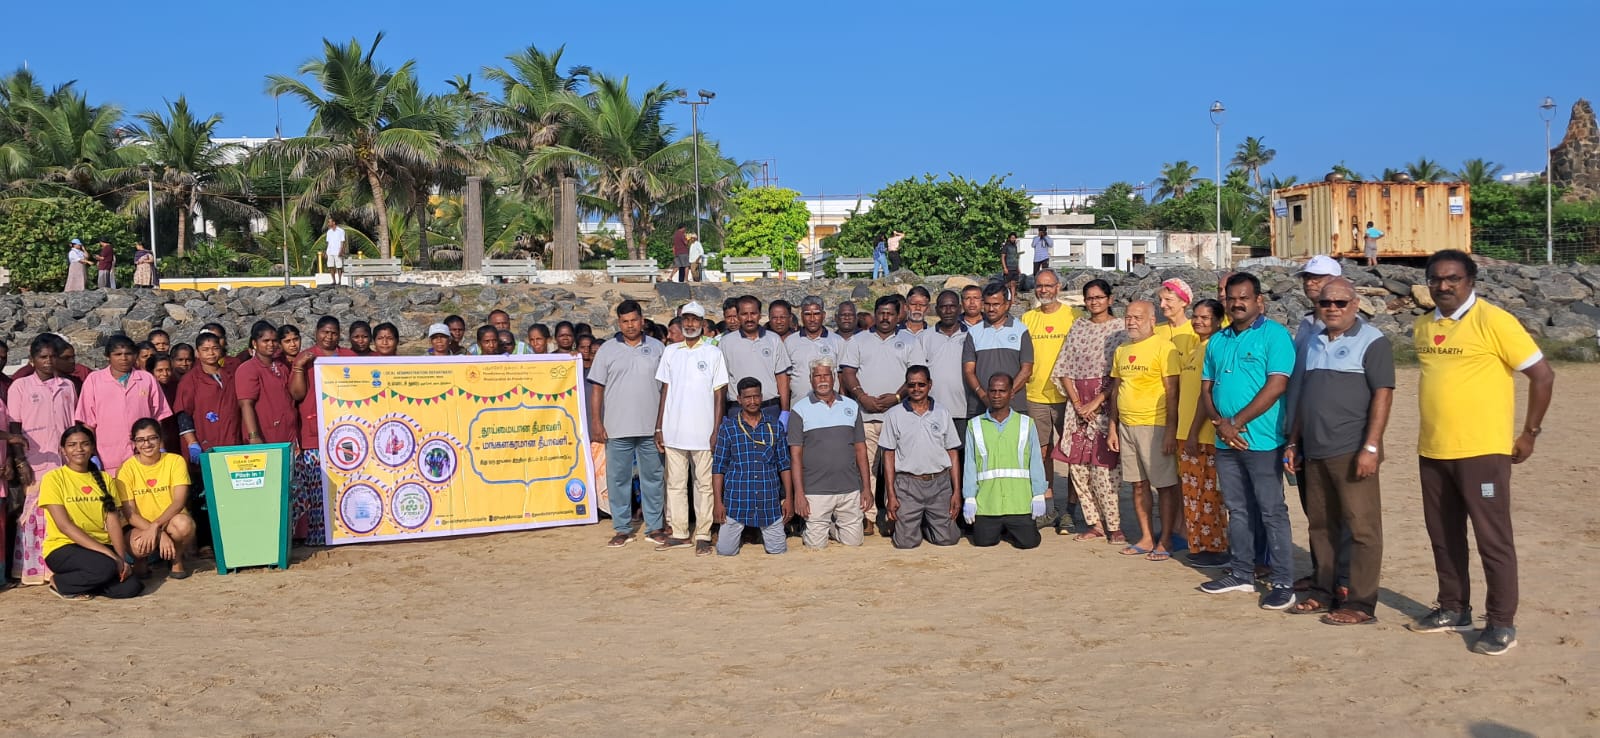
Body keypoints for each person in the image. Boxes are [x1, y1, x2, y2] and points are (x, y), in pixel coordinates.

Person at [1407, 249, 1554, 656]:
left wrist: (1530, 433)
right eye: (1436, 279)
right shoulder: (1423, 326)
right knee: (1443, 534)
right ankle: (1453, 608)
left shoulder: (1495, 321)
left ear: (1470, 280)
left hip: (1483, 451)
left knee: (1493, 539)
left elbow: (1542, 375)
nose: (1443, 285)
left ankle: (1501, 623)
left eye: (1452, 278)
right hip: (1433, 450)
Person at [1284, 277, 1394, 625]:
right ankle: (1322, 589)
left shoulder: (1373, 342)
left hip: (1351, 450)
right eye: (1325, 303)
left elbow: (1383, 395)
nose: (1332, 308)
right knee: (1321, 526)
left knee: (1362, 529)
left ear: (1355, 304)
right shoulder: (1313, 342)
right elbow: (1305, 396)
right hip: (1314, 451)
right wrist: (1294, 442)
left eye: (1340, 303)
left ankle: (1360, 602)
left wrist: (1372, 446)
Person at [1199, 272, 1298, 611]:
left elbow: (1276, 386)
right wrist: (1220, 425)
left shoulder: (1275, 335)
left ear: (1259, 302)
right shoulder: (1218, 340)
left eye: (1244, 297)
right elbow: (1206, 390)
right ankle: (1242, 572)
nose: (1237, 303)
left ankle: (1284, 580)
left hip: (1262, 441)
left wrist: (1236, 423)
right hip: (1226, 443)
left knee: (1272, 512)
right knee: (1237, 510)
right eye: (1231, 298)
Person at [839, 295, 927, 537]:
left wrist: (897, 398)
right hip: (865, 417)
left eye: (890, 313)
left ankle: (893, 515)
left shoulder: (910, 341)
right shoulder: (859, 340)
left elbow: (915, 375)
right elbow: (848, 371)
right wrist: (861, 396)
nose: (885, 317)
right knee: (865, 470)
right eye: (881, 312)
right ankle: (866, 517)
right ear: (875, 314)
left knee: (896, 471)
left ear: (898, 315)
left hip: (898, 417)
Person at [1050, 279, 1126, 544]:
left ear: (1110, 299)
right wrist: (1079, 404)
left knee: (1105, 469)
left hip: (1106, 406)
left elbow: (1118, 374)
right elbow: (1064, 369)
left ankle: (1114, 525)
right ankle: (1094, 523)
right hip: (1077, 407)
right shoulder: (1078, 328)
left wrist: (1096, 403)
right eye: (1089, 298)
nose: (1094, 302)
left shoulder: (1120, 330)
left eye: (1099, 297)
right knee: (1079, 469)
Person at [1107, 300, 1183, 561]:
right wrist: (1112, 427)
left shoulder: (1164, 347)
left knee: (1164, 486)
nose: (1131, 322)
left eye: (1138, 317)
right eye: (1128, 317)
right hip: (1127, 426)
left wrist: (1171, 430)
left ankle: (1165, 540)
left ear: (1152, 320)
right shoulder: (1122, 350)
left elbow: (1173, 392)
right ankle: (1146, 536)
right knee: (1138, 485)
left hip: (1155, 426)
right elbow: (1117, 390)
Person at [589, 300, 668, 548]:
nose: (630, 325)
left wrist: (662, 424)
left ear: (642, 320)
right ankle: (622, 528)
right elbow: (597, 389)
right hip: (617, 427)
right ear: (619, 323)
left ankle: (655, 526)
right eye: (625, 321)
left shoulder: (658, 348)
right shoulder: (607, 350)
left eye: (634, 320)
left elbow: (666, 387)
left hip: (650, 428)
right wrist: (596, 421)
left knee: (653, 478)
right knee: (618, 479)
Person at [653, 301, 728, 557]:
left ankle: (704, 534)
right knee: (674, 484)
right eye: (686, 319)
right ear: (681, 321)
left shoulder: (713, 353)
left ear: (703, 323)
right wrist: (659, 426)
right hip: (673, 429)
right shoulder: (671, 351)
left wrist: (716, 429)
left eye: (695, 320)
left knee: (704, 485)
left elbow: (720, 393)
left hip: (704, 431)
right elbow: (665, 390)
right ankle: (680, 532)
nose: (690, 324)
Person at [39, 424, 142, 599]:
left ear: (93, 448)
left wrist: (121, 558)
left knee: (130, 587)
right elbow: (64, 526)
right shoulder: (53, 479)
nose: (79, 449)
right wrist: (110, 556)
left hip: (99, 548)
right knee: (106, 567)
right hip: (63, 547)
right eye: (72, 445)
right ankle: (59, 582)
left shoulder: (105, 479)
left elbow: (113, 522)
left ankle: (89, 584)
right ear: (63, 450)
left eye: (84, 444)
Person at [9, 334, 78, 586]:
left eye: (52, 357)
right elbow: (15, 426)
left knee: (60, 515)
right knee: (33, 518)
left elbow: (72, 424)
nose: (48, 361)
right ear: (32, 360)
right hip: (34, 460)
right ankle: (33, 570)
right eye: (42, 357)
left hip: (63, 461)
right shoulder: (21, 387)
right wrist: (20, 462)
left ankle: (57, 568)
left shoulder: (67, 386)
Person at [788, 357, 871, 550]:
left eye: (826, 375)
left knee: (854, 542)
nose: (822, 380)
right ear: (811, 379)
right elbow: (795, 457)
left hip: (849, 488)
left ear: (834, 377)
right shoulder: (799, 410)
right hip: (816, 491)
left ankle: (831, 527)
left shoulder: (851, 406)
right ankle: (816, 527)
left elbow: (860, 449)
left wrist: (866, 487)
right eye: (817, 376)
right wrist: (799, 493)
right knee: (815, 546)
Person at [287, 316, 354, 545]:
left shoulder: (349, 357)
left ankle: (349, 531)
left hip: (346, 431)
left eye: (334, 332)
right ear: (316, 333)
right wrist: (298, 367)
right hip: (314, 433)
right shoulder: (306, 357)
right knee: (317, 488)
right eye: (325, 332)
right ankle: (317, 537)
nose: (329, 337)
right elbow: (297, 395)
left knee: (346, 483)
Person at [1019, 268, 1077, 531]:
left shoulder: (1073, 317)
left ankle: (1072, 510)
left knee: (1073, 454)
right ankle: (1049, 506)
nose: (1044, 290)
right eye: (1039, 286)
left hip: (1069, 397)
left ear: (1059, 287)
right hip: (1035, 396)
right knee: (1042, 453)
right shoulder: (1027, 319)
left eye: (1048, 285)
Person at [880, 364, 962, 549]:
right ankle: (904, 523)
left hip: (939, 484)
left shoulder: (942, 412)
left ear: (930, 385)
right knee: (906, 543)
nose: (916, 389)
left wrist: (956, 491)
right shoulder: (894, 414)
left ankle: (926, 524)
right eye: (911, 385)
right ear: (906, 386)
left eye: (921, 384)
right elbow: (889, 455)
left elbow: (952, 453)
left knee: (948, 539)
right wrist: (891, 494)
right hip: (908, 485)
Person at [962, 373, 1045, 549]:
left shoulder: (1026, 424)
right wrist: (969, 497)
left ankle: (1011, 529)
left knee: (1029, 543)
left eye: (1002, 391)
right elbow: (969, 464)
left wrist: (1039, 493)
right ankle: (1001, 529)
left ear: (1011, 394)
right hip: (988, 503)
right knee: (983, 542)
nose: (997, 395)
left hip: (1019, 503)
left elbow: (1036, 461)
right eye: (992, 391)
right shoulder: (974, 425)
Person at [712, 378, 793, 556]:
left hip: (768, 503)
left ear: (762, 397)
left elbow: (784, 465)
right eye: (747, 397)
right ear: (739, 399)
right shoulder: (728, 428)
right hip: (736, 503)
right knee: (725, 551)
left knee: (778, 551)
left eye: (756, 396)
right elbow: (719, 467)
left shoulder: (774, 426)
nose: (753, 401)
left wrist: (788, 498)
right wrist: (718, 502)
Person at [1178, 298, 1231, 568]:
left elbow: (1205, 394)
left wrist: (1192, 431)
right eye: (1195, 316)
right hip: (1185, 431)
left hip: (1204, 434)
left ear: (1219, 320)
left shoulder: (1216, 346)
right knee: (1192, 493)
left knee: (1210, 495)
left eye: (1205, 318)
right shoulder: (1193, 345)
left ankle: (1216, 547)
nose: (1199, 321)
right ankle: (1198, 544)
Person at [75, 335, 173, 476]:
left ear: (135, 355)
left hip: (145, 452)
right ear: (108, 356)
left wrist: (161, 448)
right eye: (118, 354)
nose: (123, 358)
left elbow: (158, 418)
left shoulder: (146, 379)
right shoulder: (94, 381)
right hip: (108, 457)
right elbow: (88, 422)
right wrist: (91, 453)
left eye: (128, 354)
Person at [117, 418, 195, 578]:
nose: (147, 444)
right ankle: (140, 561)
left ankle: (175, 558)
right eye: (140, 440)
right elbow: (129, 514)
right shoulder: (126, 469)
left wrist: (156, 527)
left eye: (152, 438)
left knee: (184, 525)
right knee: (139, 545)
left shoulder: (175, 461)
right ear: (134, 443)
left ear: (161, 438)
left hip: (169, 521)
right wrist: (159, 534)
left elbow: (179, 501)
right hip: (139, 525)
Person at [963, 281, 1034, 443]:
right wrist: (984, 395)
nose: (991, 309)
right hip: (980, 405)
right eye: (987, 304)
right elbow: (968, 371)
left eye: (996, 304)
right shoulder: (973, 333)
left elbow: (1026, 370)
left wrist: (1005, 397)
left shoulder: (1021, 330)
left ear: (1007, 304)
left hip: (1015, 406)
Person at [718, 295, 792, 423]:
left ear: (759, 315)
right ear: (738, 316)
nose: (749, 318)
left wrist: (785, 411)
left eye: (753, 313)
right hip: (737, 410)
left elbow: (781, 377)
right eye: (744, 314)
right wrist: (722, 413)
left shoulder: (773, 339)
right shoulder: (725, 342)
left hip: (770, 408)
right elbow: (722, 382)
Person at [919, 290, 976, 449]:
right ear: (936, 310)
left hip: (964, 410)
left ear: (959, 308)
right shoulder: (925, 337)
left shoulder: (972, 335)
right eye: (943, 307)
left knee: (964, 458)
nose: (948, 311)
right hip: (933, 410)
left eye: (952, 306)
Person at [174, 333, 242, 462]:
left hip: (232, 439)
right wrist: (192, 442)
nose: (211, 353)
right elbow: (183, 414)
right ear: (197, 353)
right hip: (204, 440)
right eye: (205, 350)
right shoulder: (189, 380)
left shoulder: (231, 374)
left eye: (215, 348)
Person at [236, 321, 298, 446]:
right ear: (255, 343)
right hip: (265, 435)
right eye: (266, 341)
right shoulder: (248, 369)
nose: (271, 344)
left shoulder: (281, 366)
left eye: (274, 340)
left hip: (287, 433)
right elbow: (246, 404)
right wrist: (253, 435)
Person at [784, 296, 845, 406]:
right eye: (807, 314)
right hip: (799, 406)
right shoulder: (790, 341)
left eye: (816, 314)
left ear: (824, 315)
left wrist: (842, 404)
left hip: (831, 406)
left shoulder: (837, 341)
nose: (812, 319)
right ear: (802, 316)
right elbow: (786, 378)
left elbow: (841, 376)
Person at [325, 218, 347, 286]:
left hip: (337, 251)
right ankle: (334, 281)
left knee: (339, 267)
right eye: (328, 222)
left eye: (329, 222)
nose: (328, 223)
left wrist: (341, 251)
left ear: (334, 222)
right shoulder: (329, 232)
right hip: (330, 251)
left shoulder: (341, 231)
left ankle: (339, 281)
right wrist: (326, 251)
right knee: (331, 266)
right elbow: (328, 243)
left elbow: (342, 242)